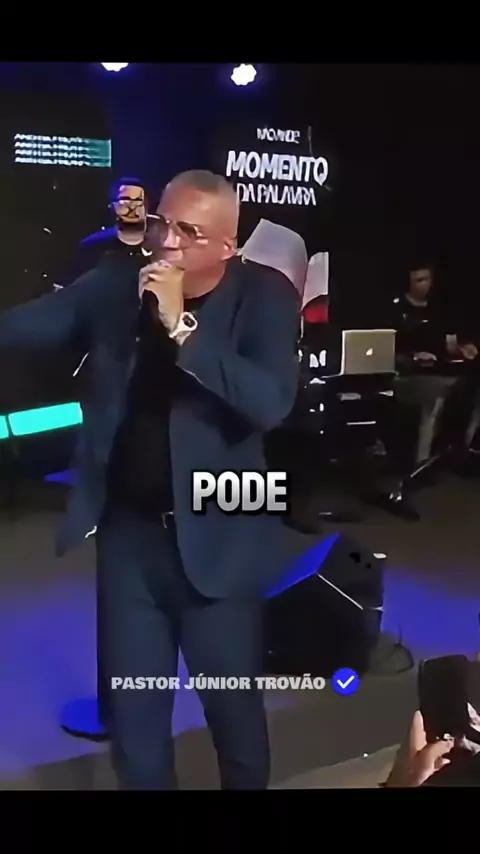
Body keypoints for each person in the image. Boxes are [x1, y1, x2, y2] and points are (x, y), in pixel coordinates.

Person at [0, 170, 300, 789]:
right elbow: (35, 322)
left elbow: (270, 402)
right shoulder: (118, 284)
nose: (168, 242)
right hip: (131, 542)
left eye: (189, 232)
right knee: (136, 726)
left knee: (235, 720)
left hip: (220, 539)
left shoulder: (263, 295)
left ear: (226, 245)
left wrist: (182, 328)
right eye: (164, 224)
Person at [54, 177, 150, 290]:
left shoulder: (161, 246)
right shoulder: (91, 247)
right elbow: (63, 291)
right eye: (125, 200)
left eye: (138, 201)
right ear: (112, 205)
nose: (132, 207)